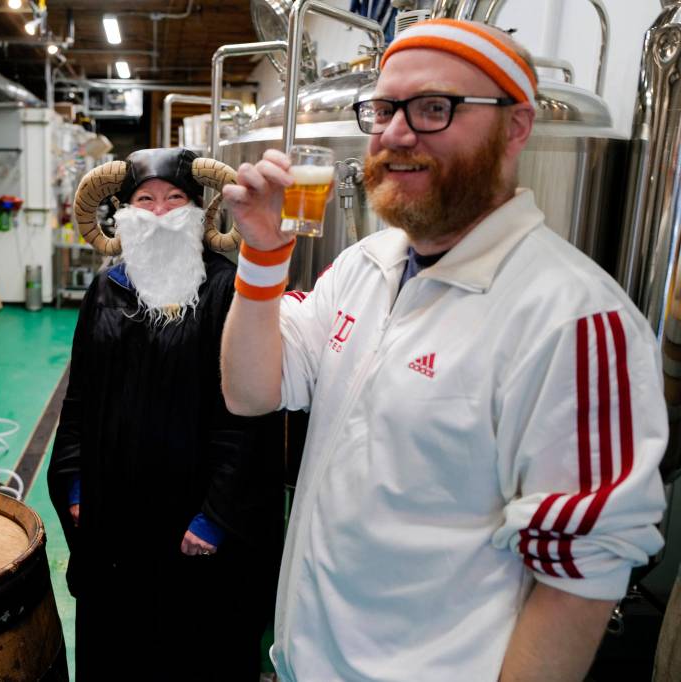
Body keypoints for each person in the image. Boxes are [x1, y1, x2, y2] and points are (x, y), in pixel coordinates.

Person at [220, 19, 668, 682]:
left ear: (516, 127)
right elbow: (251, 391)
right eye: (384, 108)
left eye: (436, 108)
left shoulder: (572, 317)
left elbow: (583, 575)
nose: (397, 133)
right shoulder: (364, 266)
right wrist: (262, 253)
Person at [48, 148, 284, 680]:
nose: (160, 212)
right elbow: (80, 395)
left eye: (175, 199)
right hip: (116, 518)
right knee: (118, 649)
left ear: (200, 211)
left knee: (194, 652)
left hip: (191, 524)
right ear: (123, 212)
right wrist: (77, 486)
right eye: (144, 199)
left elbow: (248, 418)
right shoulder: (105, 291)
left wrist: (216, 517)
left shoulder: (228, 289)